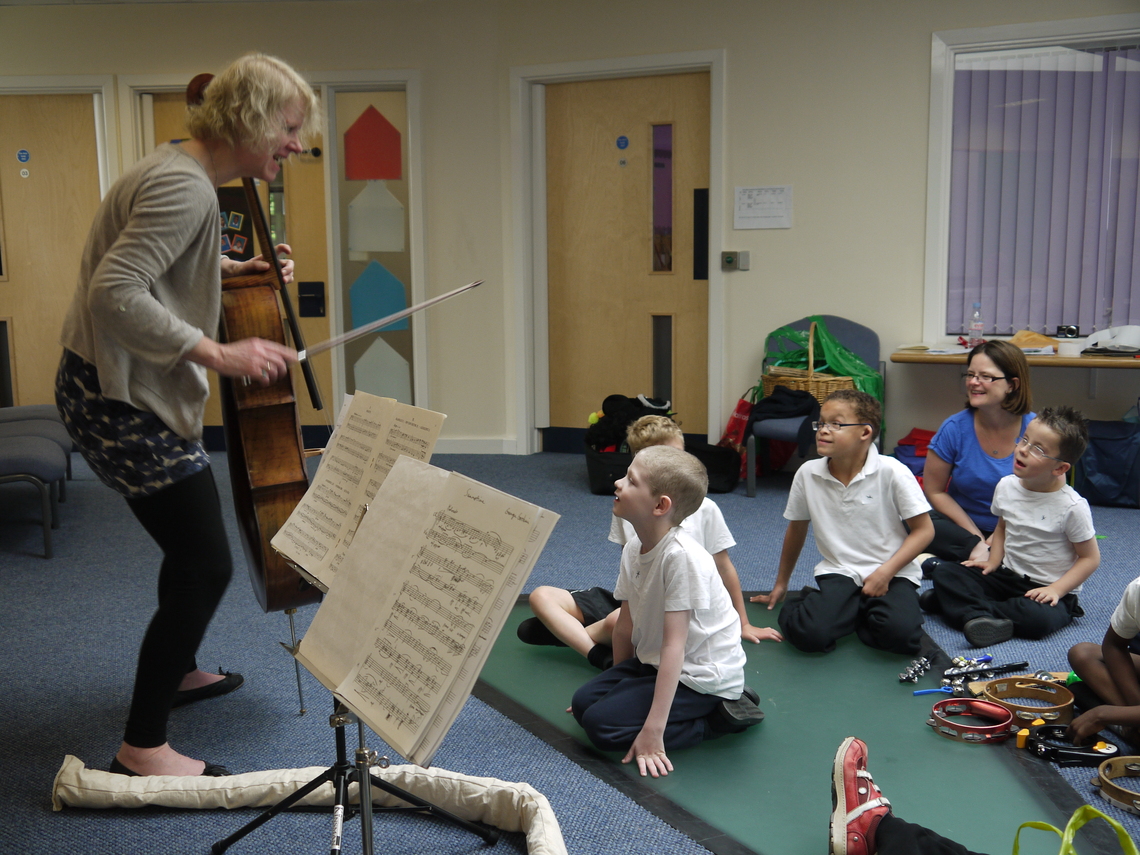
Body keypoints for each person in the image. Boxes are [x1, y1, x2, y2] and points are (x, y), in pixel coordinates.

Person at [55, 53, 319, 777]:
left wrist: (231, 271)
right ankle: (143, 745)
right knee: (206, 561)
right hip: (118, 399)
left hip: (107, 384)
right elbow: (117, 291)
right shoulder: (187, 188)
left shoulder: (181, 167)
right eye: (289, 127)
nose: (296, 143)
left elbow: (159, 261)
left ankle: (178, 670)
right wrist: (220, 354)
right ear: (251, 118)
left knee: (189, 548)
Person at [519, 415, 779, 669]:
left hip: (674, 610)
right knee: (541, 596)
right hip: (636, 600)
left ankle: (570, 634)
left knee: (613, 623)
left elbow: (724, 568)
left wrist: (743, 623)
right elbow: (632, 569)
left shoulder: (705, 509)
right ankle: (596, 651)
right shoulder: (626, 508)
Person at [570, 445, 761, 778]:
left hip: (699, 677)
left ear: (660, 505)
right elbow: (625, 626)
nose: (617, 483)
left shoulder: (682, 557)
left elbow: (676, 645)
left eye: (631, 480)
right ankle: (642, 711)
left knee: (602, 729)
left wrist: (654, 731)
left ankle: (719, 717)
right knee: (585, 705)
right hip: (653, 664)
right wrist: (614, 687)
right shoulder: (634, 547)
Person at [754, 389, 934, 654]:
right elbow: (796, 529)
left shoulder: (893, 471)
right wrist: (781, 584)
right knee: (809, 636)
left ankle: (849, 608)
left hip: (892, 570)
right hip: (841, 569)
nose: (823, 430)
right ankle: (830, 604)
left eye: (836, 424)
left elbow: (924, 530)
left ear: (865, 432)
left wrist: (885, 572)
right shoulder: (807, 473)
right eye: (821, 422)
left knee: (901, 638)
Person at [926, 406, 1099, 647]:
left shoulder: (1072, 507)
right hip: (1006, 576)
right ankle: (977, 613)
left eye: (1038, 449)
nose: (1023, 450)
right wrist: (993, 560)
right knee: (946, 572)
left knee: (1037, 620)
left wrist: (1057, 590)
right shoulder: (1007, 486)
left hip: (1045, 590)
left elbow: (1090, 558)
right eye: (1024, 440)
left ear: (1059, 468)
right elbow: (1002, 527)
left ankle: (964, 608)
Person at [921, 341, 1034, 565]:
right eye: (970, 374)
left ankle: (967, 562)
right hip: (962, 527)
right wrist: (976, 538)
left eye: (986, 376)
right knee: (911, 519)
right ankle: (981, 557)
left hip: (1018, 528)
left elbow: (1049, 496)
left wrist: (997, 538)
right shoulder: (954, 428)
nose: (973, 382)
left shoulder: (1037, 430)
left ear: (1012, 384)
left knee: (1047, 539)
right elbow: (934, 491)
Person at [1066, 573, 1140, 747]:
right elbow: (1114, 646)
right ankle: (1132, 723)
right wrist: (1135, 707)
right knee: (1083, 654)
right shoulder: (1138, 589)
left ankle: (1128, 724)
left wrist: (1103, 714)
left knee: (1082, 694)